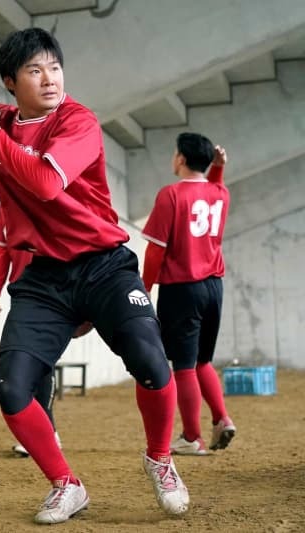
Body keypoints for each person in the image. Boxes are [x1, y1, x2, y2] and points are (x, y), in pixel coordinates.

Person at [0, 27, 190, 524]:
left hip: (104, 263)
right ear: (10, 82)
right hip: (44, 275)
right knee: (12, 388)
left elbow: (43, 182)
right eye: (35, 70)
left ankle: (161, 459)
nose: (49, 79)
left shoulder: (78, 121)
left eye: (55, 68)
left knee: (151, 359)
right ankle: (66, 484)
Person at [141, 134, 235, 456]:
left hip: (183, 288)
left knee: (183, 364)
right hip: (214, 287)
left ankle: (192, 436)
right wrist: (218, 169)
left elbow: (156, 250)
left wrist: (145, 286)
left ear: (180, 158)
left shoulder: (170, 195)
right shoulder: (221, 192)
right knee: (202, 361)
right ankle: (221, 418)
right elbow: (213, 190)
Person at [0, 206, 61, 457]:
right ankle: (40, 430)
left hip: (55, 291)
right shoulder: (6, 206)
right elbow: (1, 252)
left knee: (44, 363)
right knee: (21, 364)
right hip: (22, 293)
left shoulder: (52, 196)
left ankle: (48, 429)